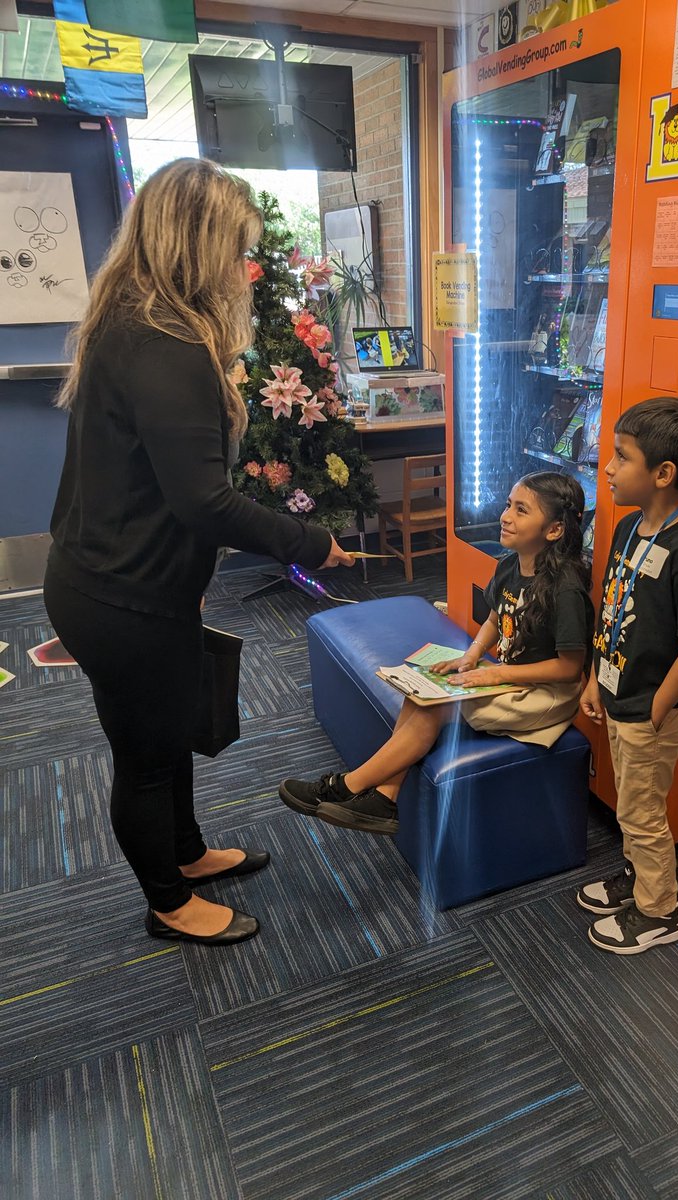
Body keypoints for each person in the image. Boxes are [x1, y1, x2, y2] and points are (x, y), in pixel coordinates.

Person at [43, 158, 353, 947]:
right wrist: (312, 542)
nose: (242, 267)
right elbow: (204, 502)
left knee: (167, 730)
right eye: (236, 247)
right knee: (146, 754)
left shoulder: (130, 318)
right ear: (199, 243)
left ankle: (185, 853)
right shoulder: (162, 341)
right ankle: (167, 903)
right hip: (123, 597)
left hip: (116, 582)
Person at [279, 472, 594, 835]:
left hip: (545, 695)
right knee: (420, 697)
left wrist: (497, 674)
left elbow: (569, 669)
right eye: (509, 505)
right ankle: (385, 799)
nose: (506, 515)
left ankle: (345, 786)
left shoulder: (565, 588)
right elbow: (495, 617)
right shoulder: (510, 564)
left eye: (521, 510)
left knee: (434, 709)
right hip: (510, 679)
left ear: (554, 530)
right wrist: (472, 655)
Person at [577, 397, 678, 954]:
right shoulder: (629, 530)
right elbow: (612, 613)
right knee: (631, 800)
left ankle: (659, 910)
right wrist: (596, 679)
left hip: (651, 709)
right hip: (619, 694)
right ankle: (641, 878)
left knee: (641, 810)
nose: (607, 468)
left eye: (621, 458)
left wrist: (656, 709)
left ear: (663, 474)